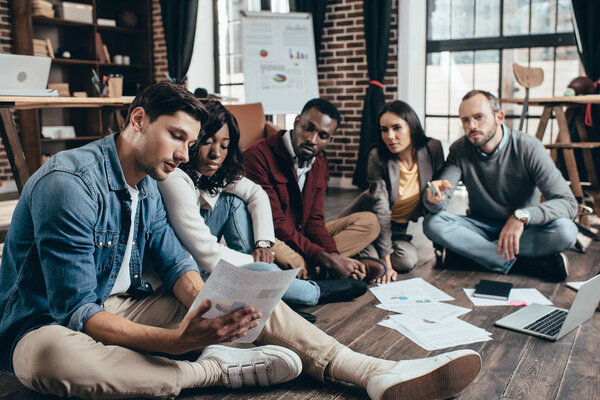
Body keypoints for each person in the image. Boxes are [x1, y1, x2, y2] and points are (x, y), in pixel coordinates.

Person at [0, 83, 482, 399]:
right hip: (44, 325)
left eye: (191, 142)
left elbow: (175, 265)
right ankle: (207, 370)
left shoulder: (147, 182)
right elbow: (78, 312)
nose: (186, 154)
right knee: (50, 360)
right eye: (176, 136)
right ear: (139, 120)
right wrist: (178, 340)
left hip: (124, 304)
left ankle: (367, 369)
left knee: (245, 290)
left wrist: (210, 304)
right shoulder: (70, 183)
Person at [158, 100, 367, 306]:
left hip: (265, 245)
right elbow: (209, 255)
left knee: (233, 202)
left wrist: (263, 244)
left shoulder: (211, 171)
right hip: (184, 268)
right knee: (266, 270)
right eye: (207, 141)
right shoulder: (175, 178)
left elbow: (256, 193)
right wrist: (257, 263)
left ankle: (288, 283)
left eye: (224, 145)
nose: (216, 153)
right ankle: (310, 291)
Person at [423, 90, 578, 281]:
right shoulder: (459, 150)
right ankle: (526, 264)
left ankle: (472, 256)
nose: (471, 126)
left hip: (523, 231)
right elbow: (439, 203)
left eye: (479, 117)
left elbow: (568, 203)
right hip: (480, 228)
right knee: (432, 223)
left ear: (499, 117)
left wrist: (522, 216)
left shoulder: (529, 147)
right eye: (465, 120)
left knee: (566, 231)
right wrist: (432, 199)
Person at [243, 98, 386, 283]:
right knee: (282, 255)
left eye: (323, 136)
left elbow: (315, 220)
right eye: (308, 128)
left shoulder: (320, 163)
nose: (312, 140)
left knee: (370, 222)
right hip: (269, 237)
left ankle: (328, 268)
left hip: (300, 235)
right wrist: (324, 258)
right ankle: (325, 271)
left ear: (330, 140)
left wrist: (333, 255)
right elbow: (275, 222)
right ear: (296, 122)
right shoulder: (258, 155)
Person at [339, 100, 444, 283]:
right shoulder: (377, 156)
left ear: (411, 126)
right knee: (377, 264)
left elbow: (437, 194)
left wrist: (442, 243)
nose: (390, 136)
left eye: (397, 128)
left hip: (397, 229)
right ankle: (365, 253)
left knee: (407, 260)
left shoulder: (432, 148)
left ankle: (370, 254)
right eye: (384, 129)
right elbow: (381, 210)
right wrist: (386, 263)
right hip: (366, 223)